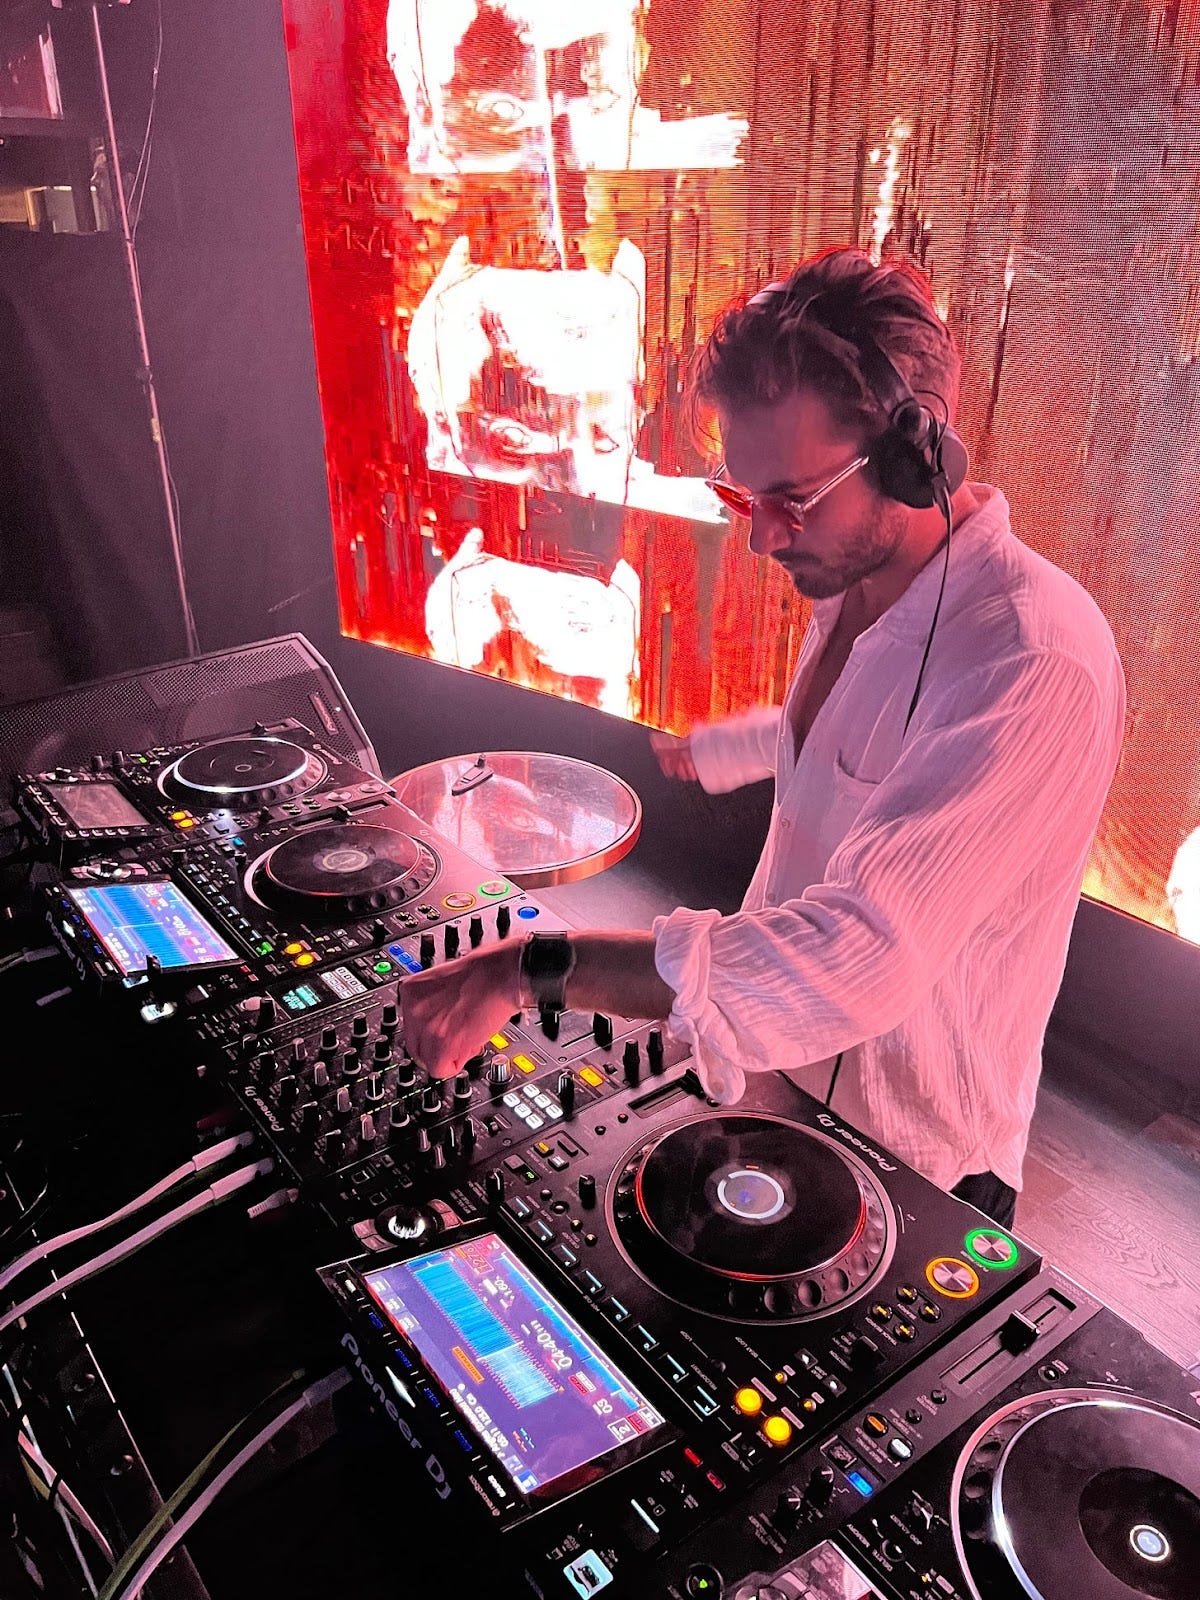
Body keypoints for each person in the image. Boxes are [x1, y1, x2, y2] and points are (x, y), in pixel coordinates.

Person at [401, 247, 1126, 1228]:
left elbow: (856, 959)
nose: (763, 536)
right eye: (746, 498)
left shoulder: (1033, 660)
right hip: (771, 1087)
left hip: (916, 1164)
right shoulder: (856, 588)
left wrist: (530, 967)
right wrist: (725, 749)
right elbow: (838, 747)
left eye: (793, 500)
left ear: (913, 454)